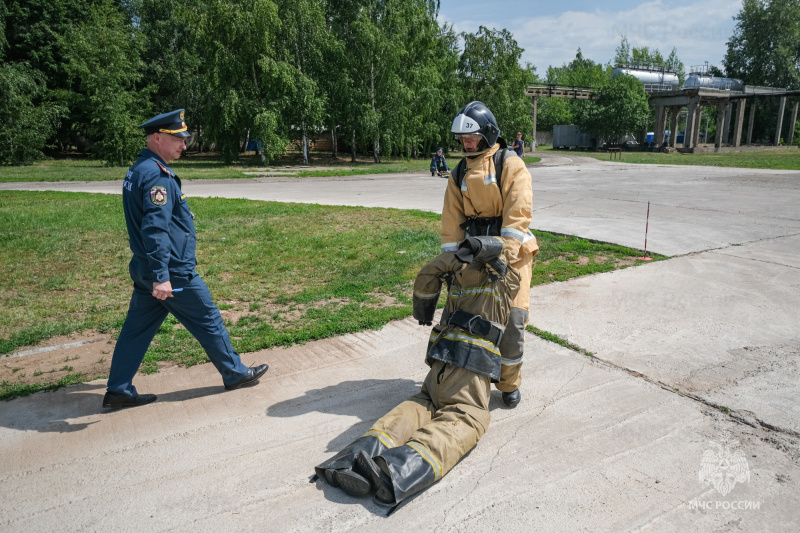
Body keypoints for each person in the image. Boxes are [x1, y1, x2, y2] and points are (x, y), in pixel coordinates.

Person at [314, 236, 521, 509]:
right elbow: (513, 339)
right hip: (468, 373)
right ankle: (395, 470)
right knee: (466, 419)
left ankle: (353, 458)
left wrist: (427, 300)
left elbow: (427, 272)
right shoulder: (505, 280)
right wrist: (510, 384)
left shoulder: (456, 277)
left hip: (438, 370)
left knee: (420, 405)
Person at [103, 109, 268, 409]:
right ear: (157, 138)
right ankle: (235, 373)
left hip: (146, 267)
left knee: (136, 330)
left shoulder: (140, 168)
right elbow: (155, 229)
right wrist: (162, 275)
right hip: (171, 271)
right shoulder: (157, 176)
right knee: (208, 318)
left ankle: (118, 388)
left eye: (185, 139)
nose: (184, 145)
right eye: (177, 139)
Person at [442, 101, 538, 408]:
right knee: (466, 316)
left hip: (514, 254)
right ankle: (469, 377)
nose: (465, 143)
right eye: (462, 139)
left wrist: (505, 256)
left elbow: (518, 213)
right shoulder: (459, 172)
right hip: (477, 252)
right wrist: (451, 263)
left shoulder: (510, 164)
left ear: (487, 134)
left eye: (470, 138)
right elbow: (451, 222)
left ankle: (509, 383)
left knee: (513, 319)